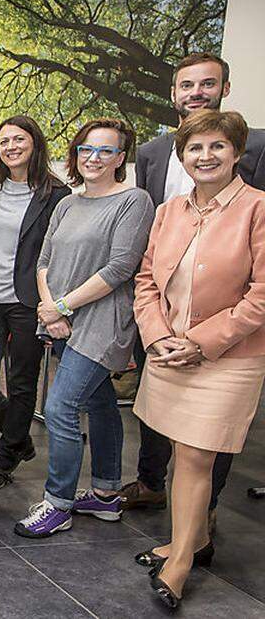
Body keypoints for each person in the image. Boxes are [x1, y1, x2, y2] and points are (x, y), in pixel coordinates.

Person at [120, 52, 265, 520]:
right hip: (163, 312)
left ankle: (202, 521)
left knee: (208, 441)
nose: (196, 93)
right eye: (186, 86)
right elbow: (145, 244)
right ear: (174, 93)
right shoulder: (152, 155)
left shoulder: (257, 158)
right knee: (161, 422)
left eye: (207, 84)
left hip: (227, 327)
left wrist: (202, 340)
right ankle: (151, 484)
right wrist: (157, 331)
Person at [131, 110, 265, 610]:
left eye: (217, 147)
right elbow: (146, 283)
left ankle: (182, 561)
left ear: (236, 153)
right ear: (182, 157)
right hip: (169, 351)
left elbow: (261, 295)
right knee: (179, 454)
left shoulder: (258, 208)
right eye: (195, 149)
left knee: (196, 456)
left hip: (228, 357)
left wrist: (203, 341)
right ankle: (188, 539)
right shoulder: (169, 212)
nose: (206, 157)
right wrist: (158, 335)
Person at [14, 118, 154, 539]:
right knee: (100, 403)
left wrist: (59, 307)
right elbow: (44, 261)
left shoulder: (134, 201)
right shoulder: (67, 204)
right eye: (85, 150)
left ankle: (58, 503)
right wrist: (48, 308)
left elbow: (118, 269)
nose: (93, 158)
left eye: (105, 151)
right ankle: (108, 495)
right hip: (59, 319)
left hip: (102, 322)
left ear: (120, 158)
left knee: (59, 407)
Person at [0, 116, 71, 491]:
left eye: (19, 139)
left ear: (35, 144)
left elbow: (57, 254)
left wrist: (53, 306)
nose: (11, 146)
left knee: (21, 381)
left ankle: (9, 452)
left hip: (27, 301)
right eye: (4, 142)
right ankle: (20, 434)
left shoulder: (55, 194)